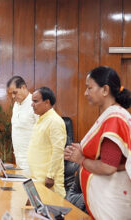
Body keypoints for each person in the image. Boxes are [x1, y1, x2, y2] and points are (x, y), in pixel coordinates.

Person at [64, 66, 131, 219]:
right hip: (107, 199)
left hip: (112, 203)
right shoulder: (113, 113)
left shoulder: (114, 117)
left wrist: (80, 159)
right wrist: (81, 149)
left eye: (89, 88)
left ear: (105, 90)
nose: (85, 93)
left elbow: (108, 167)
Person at [27, 87, 66, 197]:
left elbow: (58, 151)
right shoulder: (41, 119)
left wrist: (51, 176)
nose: (32, 105)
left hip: (49, 181)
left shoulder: (55, 121)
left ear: (47, 102)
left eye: (35, 101)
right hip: (37, 178)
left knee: (52, 213)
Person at [7, 76, 37, 170]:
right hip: (19, 158)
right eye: (11, 94)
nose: (13, 96)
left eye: (14, 92)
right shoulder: (16, 104)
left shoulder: (35, 104)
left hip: (33, 159)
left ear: (23, 87)